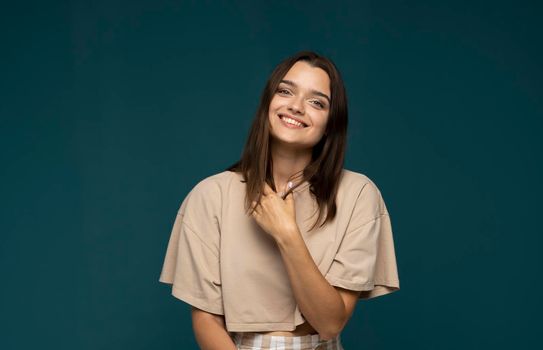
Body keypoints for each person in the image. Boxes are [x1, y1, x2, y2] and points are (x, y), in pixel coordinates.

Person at [159, 50, 400, 350]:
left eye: (316, 102)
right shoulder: (210, 195)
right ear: (267, 104)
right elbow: (206, 321)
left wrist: (287, 233)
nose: (296, 107)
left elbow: (330, 323)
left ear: (331, 124)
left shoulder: (358, 194)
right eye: (285, 91)